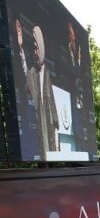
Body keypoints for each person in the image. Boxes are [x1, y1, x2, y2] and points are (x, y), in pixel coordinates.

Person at [22, 26, 59, 158]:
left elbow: (53, 102)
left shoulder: (49, 73)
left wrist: (55, 128)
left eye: (37, 48)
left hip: (50, 130)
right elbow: (25, 80)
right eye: (33, 49)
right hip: (36, 130)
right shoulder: (32, 72)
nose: (35, 52)